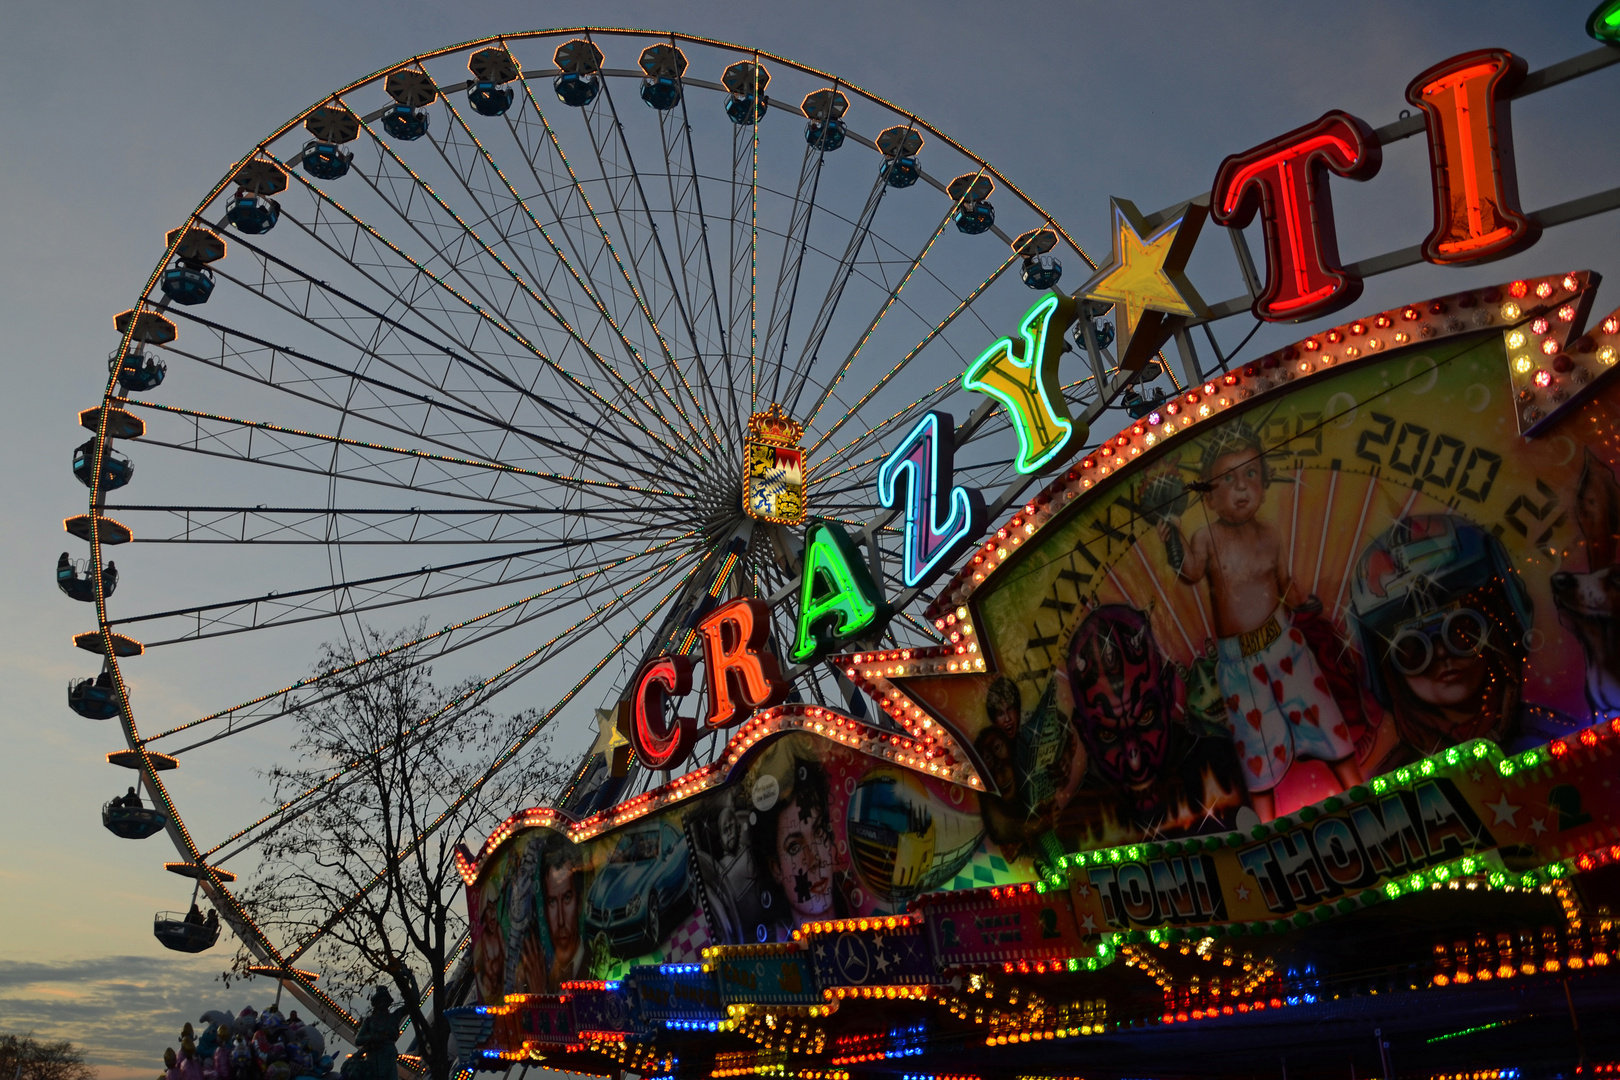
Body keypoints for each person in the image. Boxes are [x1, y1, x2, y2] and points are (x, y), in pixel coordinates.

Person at [1156, 423, 1360, 820]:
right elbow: (1190, 573)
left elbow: (1285, 584)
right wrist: (1171, 540)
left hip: (1285, 645)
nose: (1242, 488)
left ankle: (1361, 791)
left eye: (1251, 474)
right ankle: (1267, 827)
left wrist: (1308, 604)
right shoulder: (1204, 538)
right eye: (1228, 479)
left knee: (1324, 722)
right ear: (1211, 497)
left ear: (1265, 486)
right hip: (1239, 666)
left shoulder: (1270, 534)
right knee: (1257, 751)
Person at [1349, 514, 1571, 763]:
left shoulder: (1553, 736)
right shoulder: (1397, 778)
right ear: (1387, 671)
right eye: (1413, 650)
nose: (1442, 653)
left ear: (1498, 629)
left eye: (1462, 631)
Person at [748, 757, 847, 941]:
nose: (814, 859)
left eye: (818, 832)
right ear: (775, 868)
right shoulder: (773, 957)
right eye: (794, 847)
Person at [541, 833, 585, 985]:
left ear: (579, 902)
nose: (560, 920)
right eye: (552, 901)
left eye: (567, 898)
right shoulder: (544, 980)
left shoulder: (598, 967)